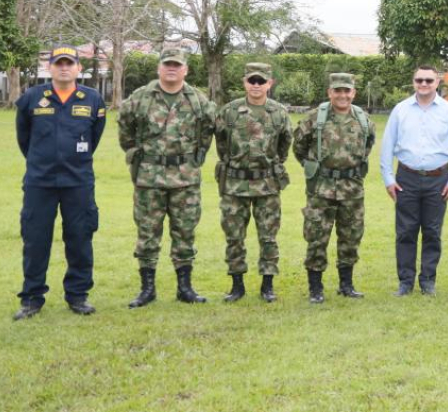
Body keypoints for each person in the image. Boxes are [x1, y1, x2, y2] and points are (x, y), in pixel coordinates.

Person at [118, 46, 217, 308]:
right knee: (148, 233)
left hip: (185, 178)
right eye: (167, 64)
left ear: (185, 69)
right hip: (149, 178)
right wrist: (136, 154)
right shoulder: (140, 97)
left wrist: (194, 159)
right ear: (159, 68)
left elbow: (207, 132)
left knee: (185, 232)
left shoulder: (198, 100)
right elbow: (125, 130)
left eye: (177, 65)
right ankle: (147, 289)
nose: (171, 68)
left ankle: (185, 288)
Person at [13, 46, 107, 320]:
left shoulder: (92, 99)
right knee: (35, 240)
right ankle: (32, 298)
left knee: (79, 238)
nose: (64, 67)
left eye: (69, 63)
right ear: (50, 68)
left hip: (78, 181)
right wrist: (40, 160)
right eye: (58, 63)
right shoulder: (32, 97)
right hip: (39, 182)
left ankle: (78, 295)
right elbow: (23, 138)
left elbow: (94, 138)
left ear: (79, 68)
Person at [380, 64, 448, 297]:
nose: (424, 84)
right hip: (406, 177)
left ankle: (428, 280)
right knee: (405, 231)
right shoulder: (400, 110)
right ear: (413, 82)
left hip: (438, 179)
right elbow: (387, 146)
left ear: (437, 83)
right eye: (419, 80)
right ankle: (405, 282)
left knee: (432, 231)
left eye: (429, 80)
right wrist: (388, 178)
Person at [213, 62, 292, 303]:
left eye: (261, 81)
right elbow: (221, 143)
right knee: (234, 236)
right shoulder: (229, 111)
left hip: (267, 184)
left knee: (268, 236)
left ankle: (267, 286)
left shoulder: (279, 112)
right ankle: (237, 286)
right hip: (235, 185)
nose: (256, 85)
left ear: (270, 83)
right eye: (252, 81)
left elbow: (284, 144)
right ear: (244, 82)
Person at [294, 73, 376, 303]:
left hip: (352, 189)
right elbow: (299, 147)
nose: (342, 95)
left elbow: (368, 144)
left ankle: (346, 285)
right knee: (317, 237)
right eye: (337, 91)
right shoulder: (315, 118)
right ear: (329, 92)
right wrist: (316, 169)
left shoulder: (363, 119)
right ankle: (315, 288)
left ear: (353, 93)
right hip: (321, 188)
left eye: (346, 91)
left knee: (351, 236)